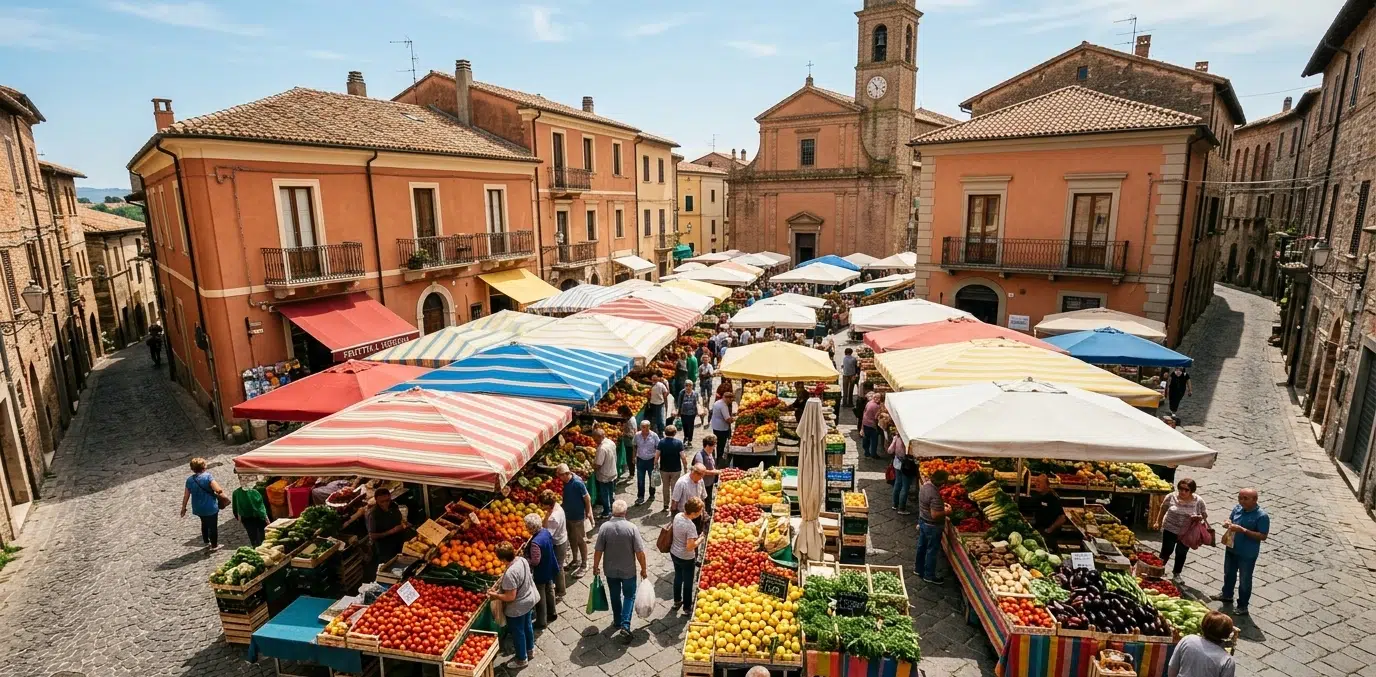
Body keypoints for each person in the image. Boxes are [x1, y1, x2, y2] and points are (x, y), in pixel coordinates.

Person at [593, 499, 649, 642]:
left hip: (610, 570)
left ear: (613, 511)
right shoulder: (631, 528)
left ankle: (617, 620)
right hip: (628, 570)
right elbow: (640, 552)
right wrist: (643, 568)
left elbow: (598, 550)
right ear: (625, 512)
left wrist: (595, 566)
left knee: (614, 595)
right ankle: (625, 625)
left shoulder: (604, 528)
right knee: (629, 596)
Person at [1212, 488, 1269, 615]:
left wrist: (1243, 530)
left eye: (1245, 498)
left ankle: (1243, 605)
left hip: (1247, 553)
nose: (1241, 501)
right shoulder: (1237, 508)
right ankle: (1227, 594)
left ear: (1255, 500)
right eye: (1240, 498)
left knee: (1245, 580)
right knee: (1229, 573)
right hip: (1231, 547)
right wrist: (1228, 522)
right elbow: (1231, 519)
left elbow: (1263, 536)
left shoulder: (1262, 516)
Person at [489, 542, 539, 668]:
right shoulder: (522, 560)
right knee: (527, 625)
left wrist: (495, 596)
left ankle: (521, 659)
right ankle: (530, 650)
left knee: (518, 632)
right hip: (529, 599)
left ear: (503, 559)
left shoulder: (510, 573)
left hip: (518, 607)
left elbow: (510, 597)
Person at [1159, 478, 1207, 581]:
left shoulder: (1198, 501)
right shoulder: (1171, 497)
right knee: (1166, 550)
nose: (1183, 492)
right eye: (1181, 489)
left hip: (1187, 532)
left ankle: (1177, 573)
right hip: (1170, 528)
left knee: (1181, 553)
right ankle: (1159, 569)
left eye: (1186, 490)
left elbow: (1204, 515)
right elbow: (1163, 508)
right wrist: (1157, 522)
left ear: (1192, 491)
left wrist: (1199, 518)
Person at [522, 512, 560, 630]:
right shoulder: (545, 532)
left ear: (530, 527)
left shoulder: (535, 543)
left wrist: (525, 559)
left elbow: (535, 561)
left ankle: (542, 621)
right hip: (550, 565)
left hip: (541, 571)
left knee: (540, 596)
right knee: (550, 590)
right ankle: (552, 613)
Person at [1168, 611, 1236, 677]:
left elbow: (1172, 668)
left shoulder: (1188, 640)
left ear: (1203, 626)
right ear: (1227, 634)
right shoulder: (1227, 660)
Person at [913, 469, 950, 584]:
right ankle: (929, 575)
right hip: (932, 526)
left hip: (923, 521)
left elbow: (927, 504)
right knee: (931, 551)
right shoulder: (935, 494)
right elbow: (935, 515)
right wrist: (946, 512)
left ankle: (918, 569)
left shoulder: (925, 485)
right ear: (942, 482)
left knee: (921, 547)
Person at [181, 457, 225, 550]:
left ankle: (206, 541)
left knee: (204, 523)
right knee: (213, 526)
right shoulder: (208, 477)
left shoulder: (189, 480)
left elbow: (186, 496)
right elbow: (218, 489)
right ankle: (214, 545)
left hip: (198, 507)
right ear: (204, 466)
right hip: (210, 506)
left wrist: (183, 507)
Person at [670, 497, 705, 615]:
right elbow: (690, 546)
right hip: (686, 557)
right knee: (688, 582)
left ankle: (676, 600)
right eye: (700, 511)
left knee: (678, 576)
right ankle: (687, 608)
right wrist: (700, 540)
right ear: (694, 513)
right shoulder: (690, 526)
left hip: (674, 553)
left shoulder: (678, 516)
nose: (701, 513)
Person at [558, 463, 592, 571]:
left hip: (578, 517)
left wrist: (588, 512)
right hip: (568, 516)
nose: (559, 478)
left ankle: (585, 563)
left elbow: (587, 498)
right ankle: (575, 560)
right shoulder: (564, 483)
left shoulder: (578, 483)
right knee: (572, 539)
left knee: (580, 540)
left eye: (560, 475)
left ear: (566, 474)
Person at [365, 487, 410, 566]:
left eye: (387, 500)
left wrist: (405, 524)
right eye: (382, 502)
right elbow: (372, 536)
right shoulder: (373, 515)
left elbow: (399, 519)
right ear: (376, 500)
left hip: (400, 543)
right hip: (386, 550)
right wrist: (392, 531)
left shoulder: (394, 505)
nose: (385, 503)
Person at [538, 490, 569, 599]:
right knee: (559, 565)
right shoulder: (557, 507)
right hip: (563, 538)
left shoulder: (553, 517)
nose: (541, 506)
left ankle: (561, 591)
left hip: (558, 543)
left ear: (548, 504)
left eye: (543, 504)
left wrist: (544, 521)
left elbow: (548, 534)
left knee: (558, 567)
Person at [231, 475, 269, 547]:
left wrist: (239, 518)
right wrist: (266, 518)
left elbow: (235, 509)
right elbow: (260, 507)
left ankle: (256, 547)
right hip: (257, 517)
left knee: (252, 535)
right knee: (262, 535)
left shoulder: (236, 493)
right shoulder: (256, 491)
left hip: (246, 518)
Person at [657, 425, 686, 511]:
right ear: (675, 433)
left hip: (664, 469)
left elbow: (657, 455)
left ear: (665, 433)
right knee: (675, 488)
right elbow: (683, 457)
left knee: (665, 487)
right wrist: (685, 467)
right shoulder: (679, 443)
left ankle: (665, 505)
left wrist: (655, 464)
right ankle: (674, 505)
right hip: (676, 469)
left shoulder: (661, 442)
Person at [633, 421, 661, 507]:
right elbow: (634, 446)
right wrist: (633, 457)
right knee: (640, 480)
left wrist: (656, 459)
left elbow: (658, 448)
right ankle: (640, 496)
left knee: (652, 478)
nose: (644, 429)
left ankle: (652, 494)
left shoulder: (654, 436)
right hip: (640, 460)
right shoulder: (637, 435)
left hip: (651, 460)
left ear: (649, 427)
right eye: (642, 427)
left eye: (645, 427)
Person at [592, 428, 617, 518]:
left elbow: (598, 464)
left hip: (604, 474)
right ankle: (613, 508)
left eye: (595, 439)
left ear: (599, 437)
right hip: (612, 471)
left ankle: (606, 511)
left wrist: (592, 466)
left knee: (604, 493)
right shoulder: (611, 442)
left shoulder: (601, 448)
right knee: (611, 491)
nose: (594, 441)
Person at [890, 434, 915, 514]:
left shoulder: (896, 438)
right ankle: (901, 508)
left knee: (897, 483)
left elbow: (890, 450)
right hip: (906, 466)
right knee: (905, 486)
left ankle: (895, 504)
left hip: (897, 464)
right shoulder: (908, 441)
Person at [709, 391, 735, 462]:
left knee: (716, 442)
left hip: (715, 426)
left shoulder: (717, 402)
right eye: (731, 400)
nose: (731, 402)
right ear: (727, 398)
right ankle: (719, 458)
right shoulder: (723, 406)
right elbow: (727, 419)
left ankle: (715, 456)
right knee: (721, 444)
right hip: (721, 428)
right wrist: (734, 419)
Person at [694, 437, 719, 509]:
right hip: (704, 483)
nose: (714, 448)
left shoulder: (710, 453)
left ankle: (708, 511)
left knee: (709, 499)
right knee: (703, 501)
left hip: (710, 482)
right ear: (708, 446)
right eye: (713, 446)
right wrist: (715, 472)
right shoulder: (699, 456)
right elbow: (701, 471)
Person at [861, 392, 884, 458]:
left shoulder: (869, 403)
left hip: (865, 423)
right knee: (874, 440)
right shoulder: (876, 406)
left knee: (866, 438)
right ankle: (873, 454)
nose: (877, 399)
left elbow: (864, 412)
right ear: (874, 397)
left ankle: (866, 452)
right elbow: (876, 417)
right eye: (876, 397)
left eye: (879, 398)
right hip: (872, 425)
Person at [618, 404, 637, 480]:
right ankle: (631, 472)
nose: (621, 415)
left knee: (630, 458)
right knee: (630, 458)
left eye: (621, 413)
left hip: (630, 443)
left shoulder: (631, 421)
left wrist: (623, 433)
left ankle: (631, 473)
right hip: (628, 442)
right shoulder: (631, 419)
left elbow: (632, 434)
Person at [677, 381, 699, 446]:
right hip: (684, 413)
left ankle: (690, 439)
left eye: (690, 385)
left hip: (692, 413)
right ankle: (685, 437)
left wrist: (698, 411)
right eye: (686, 385)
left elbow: (697, 402)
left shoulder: (695, 393)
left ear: (692, 386)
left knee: (691, 426)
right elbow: (679, 403)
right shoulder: (682, 393)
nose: (688, 387)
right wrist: (678, 412)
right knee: (685, 425)